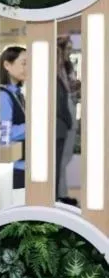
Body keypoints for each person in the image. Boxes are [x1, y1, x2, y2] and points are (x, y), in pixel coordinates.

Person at [0, 45, 27, 192]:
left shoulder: (18, 94)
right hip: (14, 168)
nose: (28, 68)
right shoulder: (3, 96)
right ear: (7, 65)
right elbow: (4, 135)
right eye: (24, 63)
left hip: (23, 165)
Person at [56, 35, 78, 203]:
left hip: (70, 111)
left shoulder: (67, 68)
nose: (70, 52)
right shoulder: (55, 69)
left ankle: (61, 193)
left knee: (66, 157)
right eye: (68, 49)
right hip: (63, 117)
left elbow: (70, 91)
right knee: (61, 159)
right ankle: (60, 194)